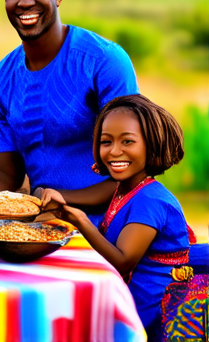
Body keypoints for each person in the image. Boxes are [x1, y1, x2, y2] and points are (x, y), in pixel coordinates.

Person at [0, 0, 139, 224]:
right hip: (45, 224)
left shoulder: (103, 61)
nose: (25, 1)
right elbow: (6, 175)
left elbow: (134, 172)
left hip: (117, 223)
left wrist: (58, 197)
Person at [39, 94, 193, 341]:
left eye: (128, 141)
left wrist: (80, 221)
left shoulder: (151, 200)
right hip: (124, 297)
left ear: (151, 145)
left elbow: (122, 260)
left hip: (145, 313)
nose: (115, 151)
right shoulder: (127, 189)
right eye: (106, 141)